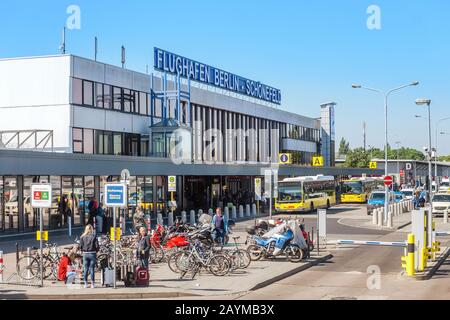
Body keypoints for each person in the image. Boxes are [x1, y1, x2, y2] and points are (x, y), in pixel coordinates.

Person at [79, 224, 99, 288]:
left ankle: (85, 284)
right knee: (92, 269)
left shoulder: (82, 237)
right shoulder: (94, 236)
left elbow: (80, 246)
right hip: (92, 253)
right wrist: (96, 251)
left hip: (85, 254)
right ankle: (93, 284)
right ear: (92, 229)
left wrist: (83, 251)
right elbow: (97, 246)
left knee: (85, 269)